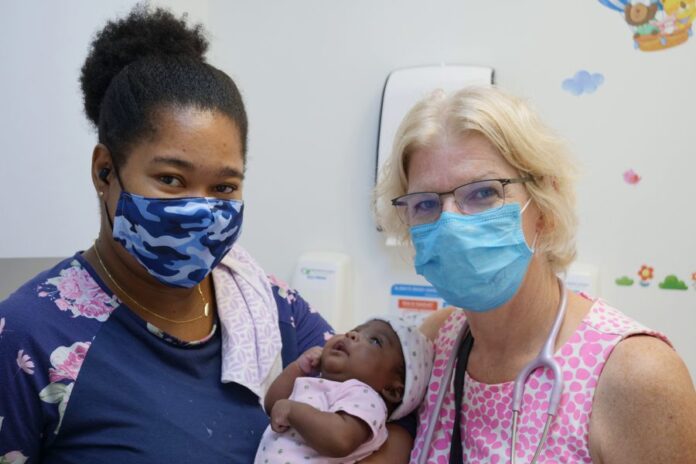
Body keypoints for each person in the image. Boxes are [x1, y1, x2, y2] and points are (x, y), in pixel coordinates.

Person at [0, 6, 410, 463]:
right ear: (104, 171)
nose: (200, 208)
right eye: (172, 180)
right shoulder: (28, 336)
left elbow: (390, 431)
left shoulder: (269, 310)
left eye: (224, 187)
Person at [373, 86, 696, 463]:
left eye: (482, 193)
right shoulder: (434, 345)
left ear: (543, 205)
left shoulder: (636, 376)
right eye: (426, 204)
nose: (449, 224)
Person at [254, 317, 433, 463]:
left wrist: (293, 410)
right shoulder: (318, 384)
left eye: (375, 341)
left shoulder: (366, 398)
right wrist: (299, 368)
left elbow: (340, 439)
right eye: (356, 329)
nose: (352, 334)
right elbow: (274, 406)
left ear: (392, 390)